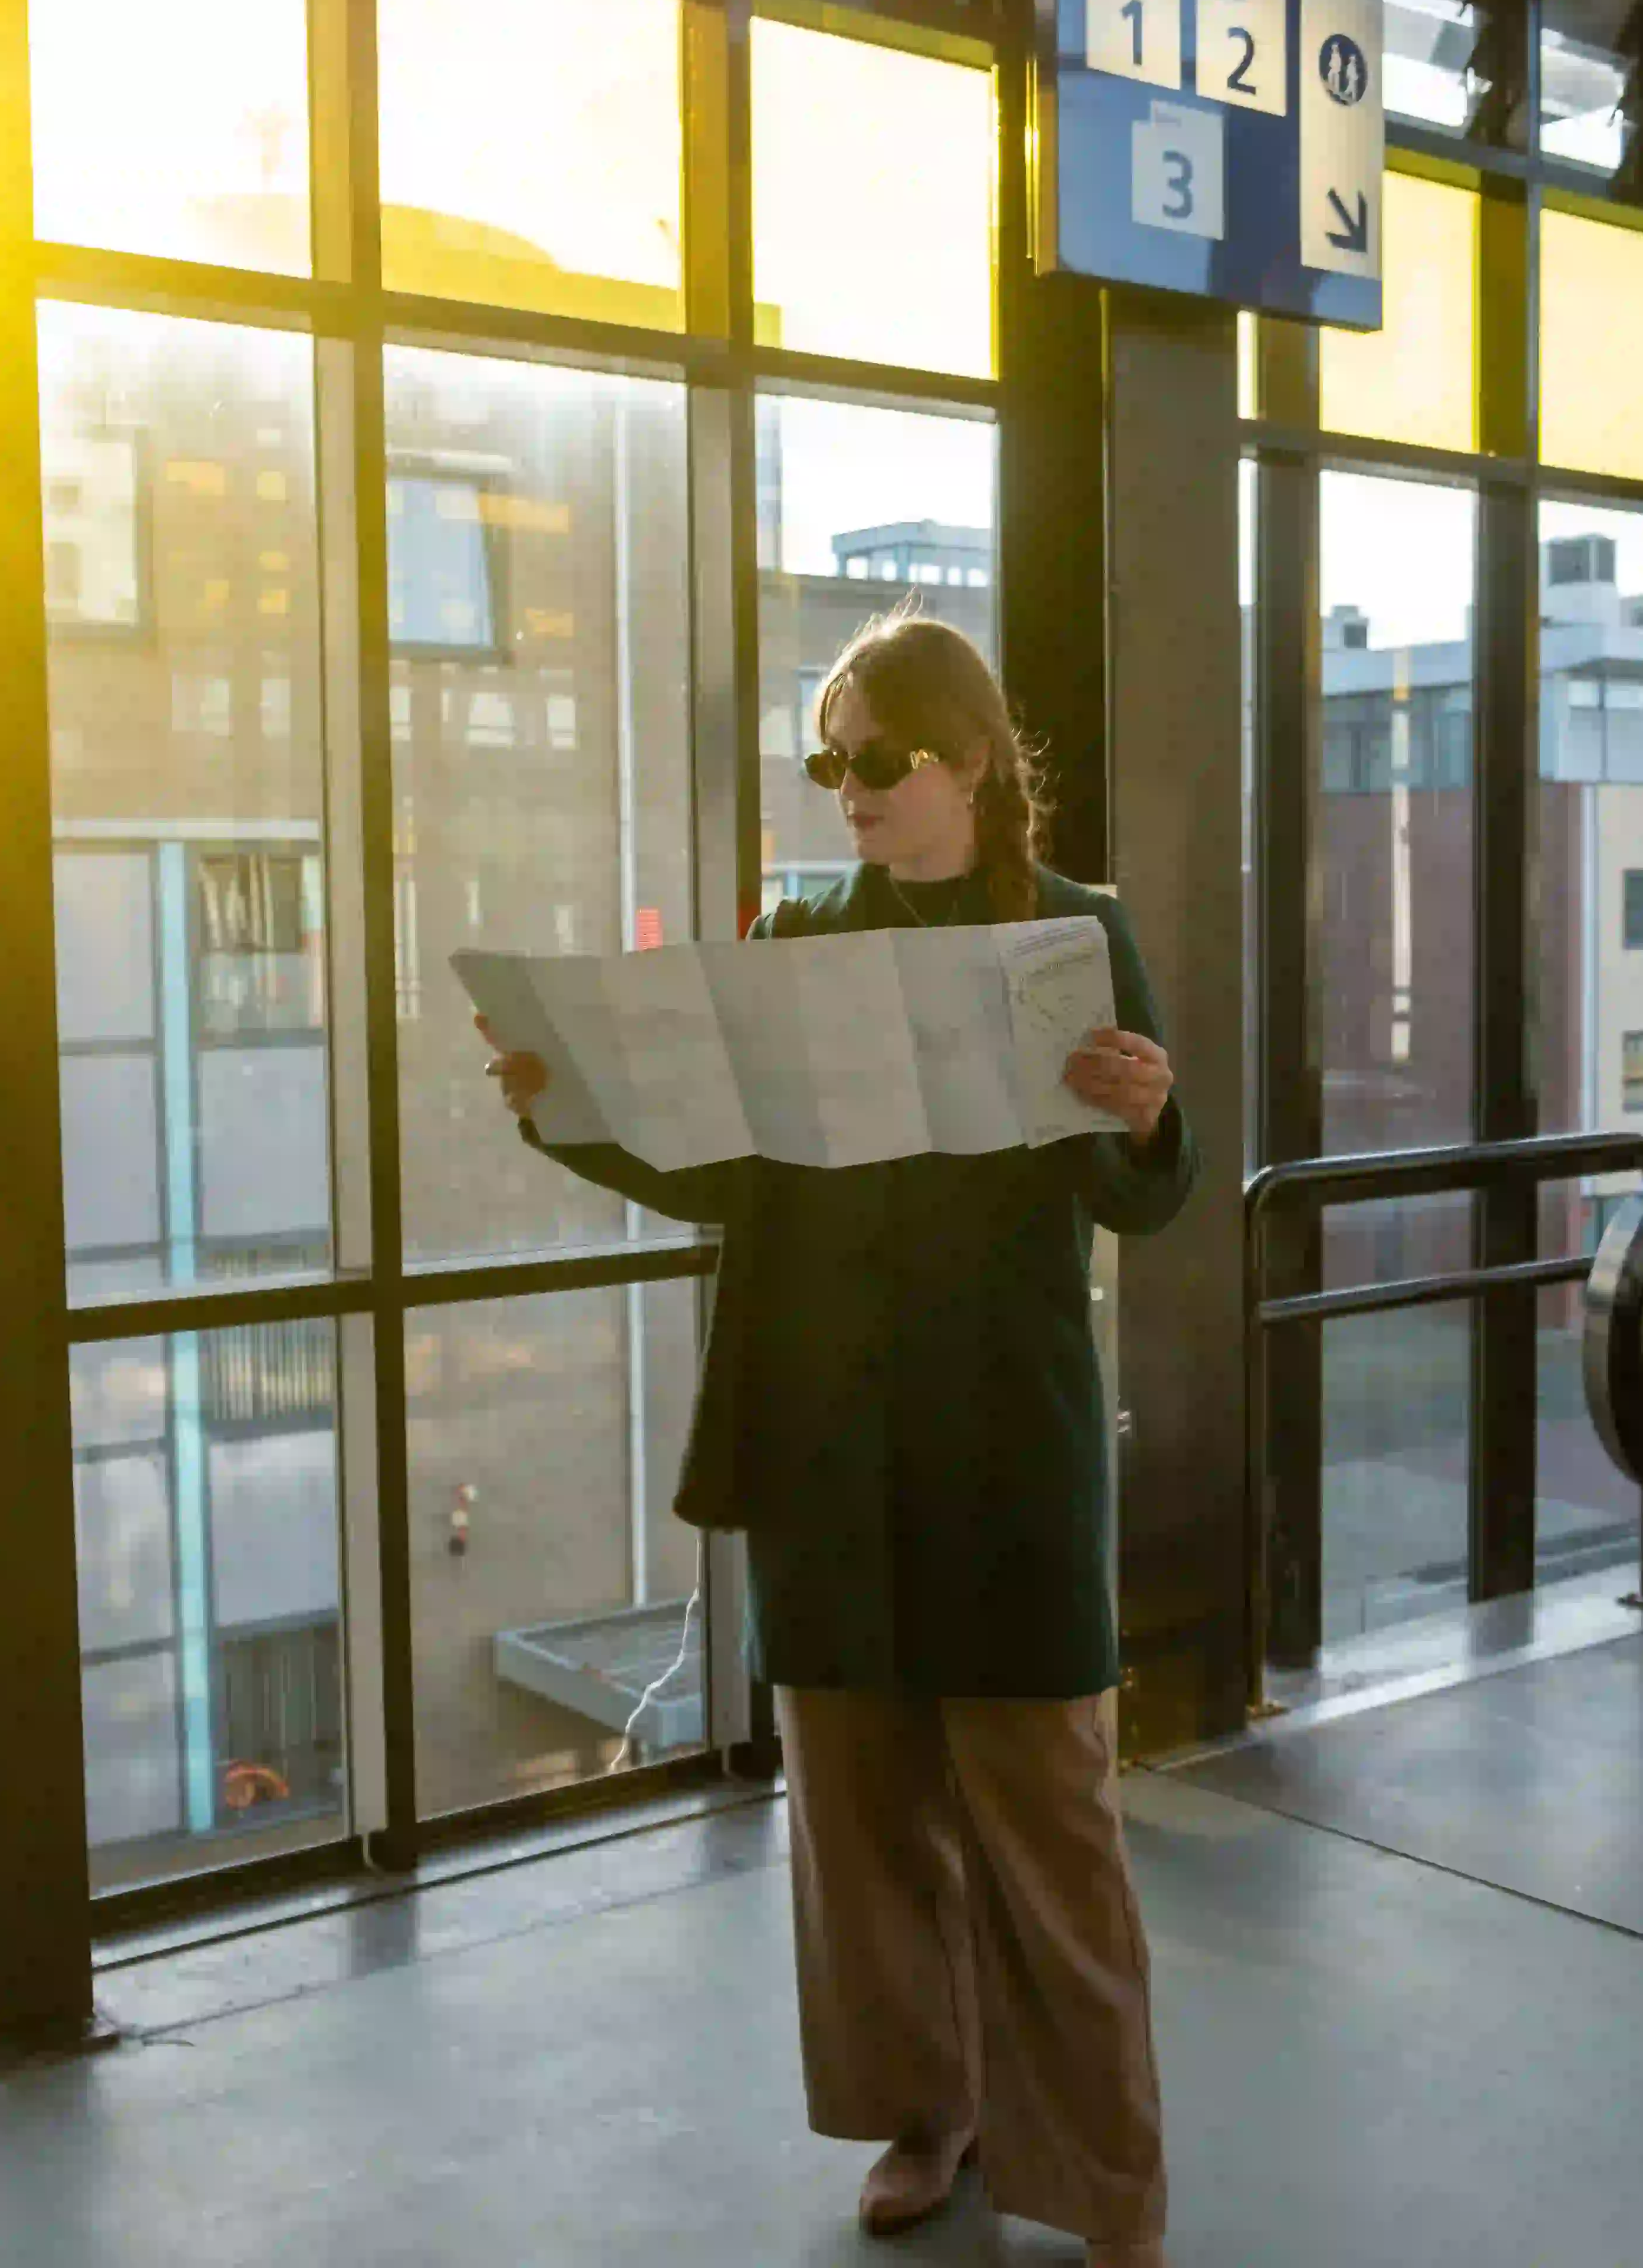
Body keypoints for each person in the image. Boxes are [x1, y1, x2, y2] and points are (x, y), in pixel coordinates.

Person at [476, 608, 1194, 2266]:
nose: (848, 790)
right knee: (858, 1822)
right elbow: (726, 1171)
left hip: (1007, 1437)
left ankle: (1104, 2178)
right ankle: (926, 2113)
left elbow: (1142, 1189)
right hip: (824, 1440)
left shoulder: (1075, 933)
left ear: (970, 761)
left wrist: (1146, 1115)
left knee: (1050, 1825)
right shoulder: (792, 935)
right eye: (829, 761)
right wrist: (565, 1108)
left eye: (878, 760)